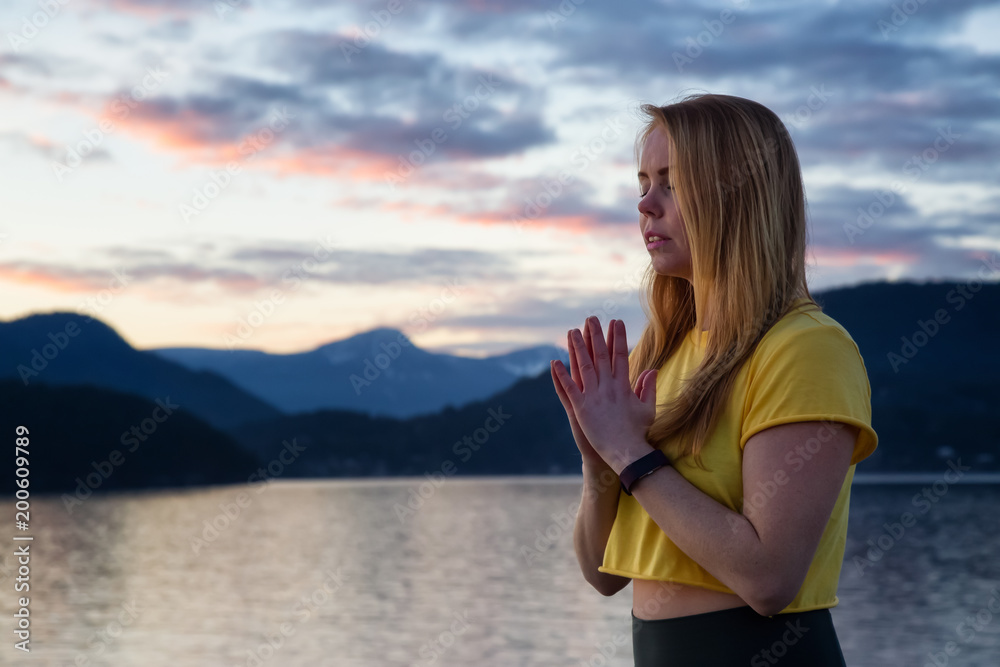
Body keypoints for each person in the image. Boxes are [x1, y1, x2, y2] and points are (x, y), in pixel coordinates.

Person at [549, 93, 878, 666]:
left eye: (671, 184)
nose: (644, 204)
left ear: (738, 195)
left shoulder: (805, 349)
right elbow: (601, 574)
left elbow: (769, 578)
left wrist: (631, 453)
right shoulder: (664, 354)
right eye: (644, 181)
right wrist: (598, 459)